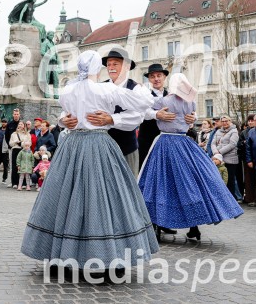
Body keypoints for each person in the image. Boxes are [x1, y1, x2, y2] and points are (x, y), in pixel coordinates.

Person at [22, 51, 158, 271]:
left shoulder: (68, 89)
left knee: (65, 197)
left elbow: (65, 115)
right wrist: (113, 118)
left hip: (72, 146)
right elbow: (145, 102)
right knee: (105, 199)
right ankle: (108, 257)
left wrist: (66, 121)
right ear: (97, 68)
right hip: (99, 144)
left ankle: (60, 255)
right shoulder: (106, 89)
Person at [138, 73, 244, 241]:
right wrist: (192, 117)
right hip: (185, 144)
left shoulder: (164, 101)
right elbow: (190, 117)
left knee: (160, 183)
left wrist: (153, 108)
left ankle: (156, 225)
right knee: (191, 182)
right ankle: (193, 226)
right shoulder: (190, 102)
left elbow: (142, 108)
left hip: (165, 143)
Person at [212, 115, 241, 201]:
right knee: (220, 180)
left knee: (229, 180)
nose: (224, 123)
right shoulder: (218, 132)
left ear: (230, 121)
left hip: (230, 159)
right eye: (223, 121)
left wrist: (220, 152)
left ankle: (231, 199)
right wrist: (215, 152)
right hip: (219, 159)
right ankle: (223, 198)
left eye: (226, 121)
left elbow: (232, 144)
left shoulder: (234, 131)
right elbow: (213, 143)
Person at [239, 114, 256, 206]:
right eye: (249, 121)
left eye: (252, 120)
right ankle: (251, 198)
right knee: (249, 179)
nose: (250, 122)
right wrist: (243, 143)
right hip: (247, 158)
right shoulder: (244, 132)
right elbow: (239, 145)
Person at [9, 121, 32, 189]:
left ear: (24, 126)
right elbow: (10, 143)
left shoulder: (27, 134)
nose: (20, 125)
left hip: (24, 150)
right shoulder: (14, 134)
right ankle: (15, 182)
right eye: (19, 124)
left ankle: (24, 183)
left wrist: (22, 143)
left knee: (24, 165)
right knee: (15, 166)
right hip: (15, 149)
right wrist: (16, 142)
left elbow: (29, 143)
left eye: (22, 124)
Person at [5, 109, 21, 186]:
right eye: (15, 114)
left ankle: (19, 182)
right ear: (13, 115)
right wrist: (10, 146)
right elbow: (7, 136)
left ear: (19, 115)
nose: (16, 115)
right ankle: (12, 182)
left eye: (17, 114)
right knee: (12, 165)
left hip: (21, 148)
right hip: (12, 147)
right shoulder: (9, 124)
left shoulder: (21, 124)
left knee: (20, 165)